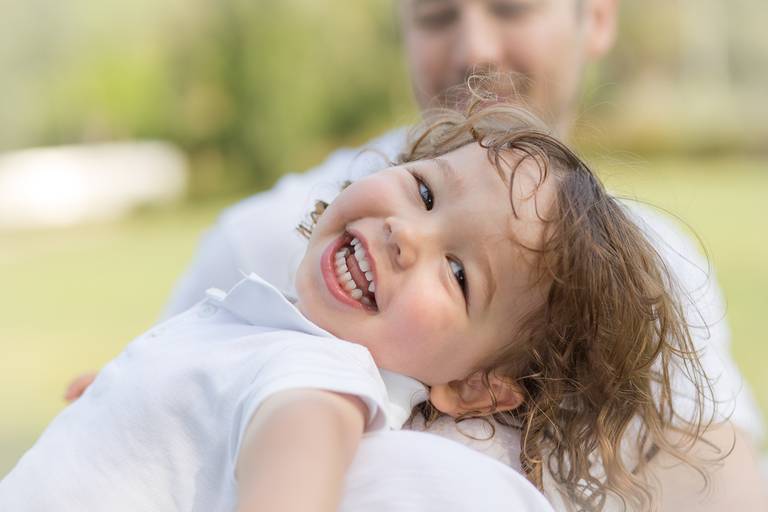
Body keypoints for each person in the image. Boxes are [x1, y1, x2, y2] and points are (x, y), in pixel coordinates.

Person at [67, 0, 767, 509]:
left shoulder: (656, 267)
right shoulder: (269, 239)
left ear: (599, 17)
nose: (474, 50)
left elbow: (719, 479)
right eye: (436, 16)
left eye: (513, 7)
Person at [2, 101, 711, 510]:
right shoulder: (277, 340)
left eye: (459, 274)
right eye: (427, 192)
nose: (408, 234)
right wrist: (148, 401)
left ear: (474, 387)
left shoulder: (315, 382)